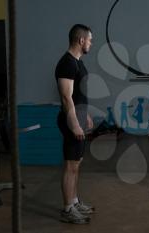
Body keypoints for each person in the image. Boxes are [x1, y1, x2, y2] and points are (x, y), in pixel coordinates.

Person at [55, 24, 95, 224]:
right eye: (89, 40)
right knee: (71, 165)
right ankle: (68, 208)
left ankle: (75, 201)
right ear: (81, 40)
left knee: (76, 164)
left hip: (78, 117)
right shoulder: (67, 64)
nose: (90, 43)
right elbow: (66, 98)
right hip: (71, 121)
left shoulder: (77, 62)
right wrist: (74, 125)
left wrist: (85, 116)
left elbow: (79, 95)